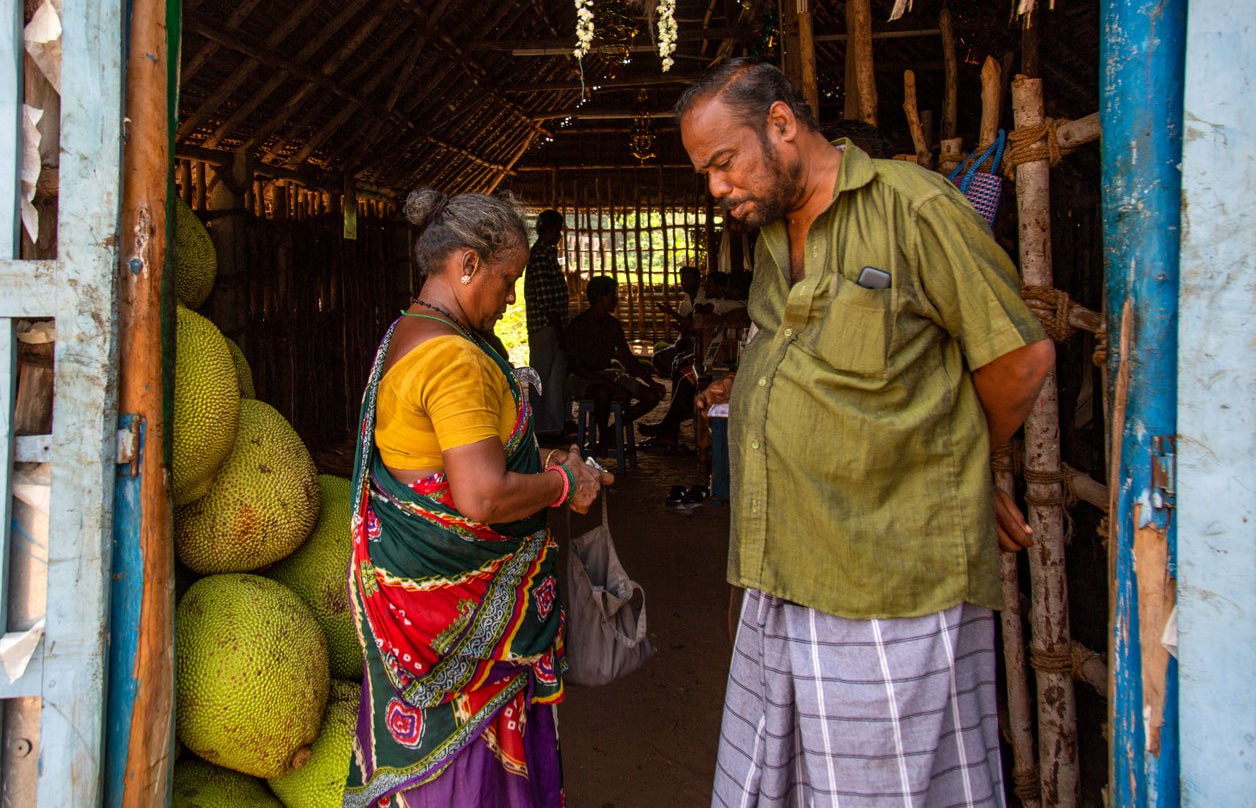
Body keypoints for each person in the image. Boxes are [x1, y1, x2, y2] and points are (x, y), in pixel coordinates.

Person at [677, 59, 1054, 805]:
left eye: (724, 162)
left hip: (885, 578)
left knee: (888, 787)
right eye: (706, 172)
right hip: (781, 566)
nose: (717, 188)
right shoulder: (771, 238)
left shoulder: (912, 209)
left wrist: (970, 465)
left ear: (782, 124)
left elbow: (1017, 358)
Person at [347, 189, 613, 807]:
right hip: (456, 620)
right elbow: (483, 496)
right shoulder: (454, 360)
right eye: (506, 280)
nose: (512, 298)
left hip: (404, 610)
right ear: (466, 265)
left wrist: (541, 459)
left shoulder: (406, 334)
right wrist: (565, 484)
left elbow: (450, 458)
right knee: (474, 780)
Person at [564, 275, 664, 454]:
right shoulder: (578, 326)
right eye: (613, 295)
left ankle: (612, 430)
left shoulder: (613, 325)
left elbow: (628, 359)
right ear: (599, 298)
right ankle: (603, 436)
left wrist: (652, 383)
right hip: (581, 379)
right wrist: (610, 384)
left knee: (652, 396)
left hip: (608, 374)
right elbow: (578, 367)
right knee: (603, 393)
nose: (617, 299)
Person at [525, 209, 570, 436]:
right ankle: (540, 425)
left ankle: (552, 425)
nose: (560, 235)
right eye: (558, 230)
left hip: (551, 326)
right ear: (549, 230)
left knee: (553, 377)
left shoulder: (547, 254)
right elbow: (546, 300)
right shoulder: (541, 255)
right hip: (545, 326)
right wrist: (560, 331)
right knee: (542, 376)